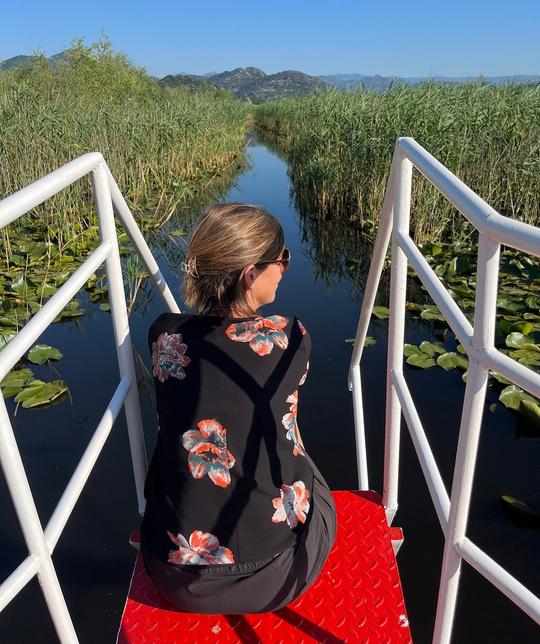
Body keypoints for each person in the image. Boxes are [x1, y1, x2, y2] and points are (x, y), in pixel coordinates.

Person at [140, 202, 336, 614]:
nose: (284, 268)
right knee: (308, 468)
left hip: (172, 575)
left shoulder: (163, 336)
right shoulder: (290, 338)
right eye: (281, 260)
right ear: (251, 274)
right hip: (277, 575)